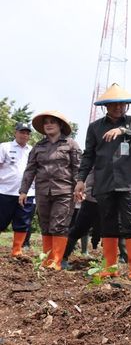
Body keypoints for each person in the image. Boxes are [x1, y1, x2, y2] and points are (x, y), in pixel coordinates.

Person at [75, 83, 131, 281]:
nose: (118, 107)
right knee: (107, 224)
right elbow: (88, 155)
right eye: (114, 104)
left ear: (127, 106)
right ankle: (110, 267)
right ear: (106, 106)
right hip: (104, 182)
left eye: (122, 104)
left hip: (129, 182)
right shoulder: (94, 128)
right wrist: (81, 180)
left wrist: (124, 131)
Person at [19, 111, 81, 270]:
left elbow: (78, 168)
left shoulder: (71, 144)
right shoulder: (38, 147)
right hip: (42, 191)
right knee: (45, 225)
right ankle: (47, 259)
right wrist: (23, 191)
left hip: (64, 191)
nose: (48, 124)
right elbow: (30, 170)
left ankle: (57, 261)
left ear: (60, 125)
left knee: (59, 225)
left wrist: (79, 188)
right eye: (46, 122)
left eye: (52, 121)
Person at [0, 123, 36, 257]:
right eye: (22, 132)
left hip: (28, 193)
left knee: (23, 221)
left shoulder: (33, 150)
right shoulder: (5, 147)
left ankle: (17, 250)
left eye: (27, 133)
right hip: (5, 191)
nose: (24, 135)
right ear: (15, 132)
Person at [62, 170, 102, 269]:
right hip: (91, 199)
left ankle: (110, 263)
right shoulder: (94, 157)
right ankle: (63, 258)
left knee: (112, 232)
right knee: (79, 229)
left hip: (110, 200)